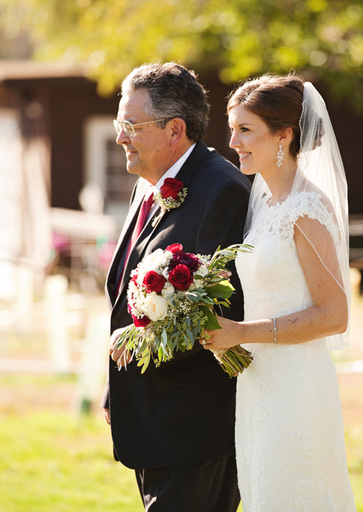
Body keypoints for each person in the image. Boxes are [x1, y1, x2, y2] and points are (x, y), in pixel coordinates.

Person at [101, 62, 251, 512]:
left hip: (195, 424)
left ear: (175, 130)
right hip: (149, 414)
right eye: (118, 124)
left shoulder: (222, 190)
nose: (120, 136)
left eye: (131, 125)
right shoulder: (146, 187)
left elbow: (223, 310)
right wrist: (118, 385)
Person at [204, 75, 357, 511]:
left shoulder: (306, 210)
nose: (232, 141)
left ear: (284, 135)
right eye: (233, 128)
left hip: (297, 385)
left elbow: (334, 315)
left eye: (245, 129)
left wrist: (241, 331)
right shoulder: (264, 202)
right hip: (258, 381)